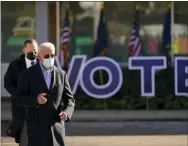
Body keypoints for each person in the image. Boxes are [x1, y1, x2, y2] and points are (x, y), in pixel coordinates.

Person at [13, 42, 75, 146]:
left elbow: (70, 100)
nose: (50, 58)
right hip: (37, 130)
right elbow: (19, 98)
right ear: (38, 57)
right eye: (47, 56)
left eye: (52, 55)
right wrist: (36, 100)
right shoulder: (28, 74)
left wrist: (67, 113)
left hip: (57, 129)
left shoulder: (61, 74)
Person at [4, 39, 38, 145]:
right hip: (21, 107)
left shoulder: (42, 64)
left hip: (38, 106)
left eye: (35, 51)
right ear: (24, 50)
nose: (33, 53)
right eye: (30, 51)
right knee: (24, 137)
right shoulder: (15, 65)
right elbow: (8, 83)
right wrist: (17, 95)